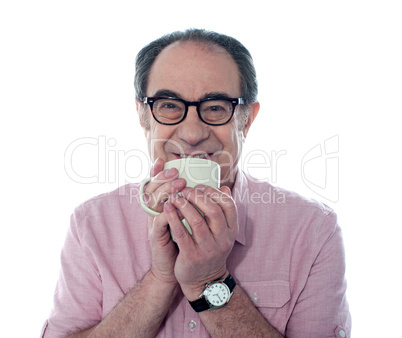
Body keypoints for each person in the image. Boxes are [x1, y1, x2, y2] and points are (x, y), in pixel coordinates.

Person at [41, 29, 351, 337]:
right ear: (143, 116)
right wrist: (160, 279)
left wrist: (209, 282)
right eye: (169, 105)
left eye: (216, 108)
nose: (192, 134)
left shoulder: (312, 230)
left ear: (247, 120)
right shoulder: (91, 225)